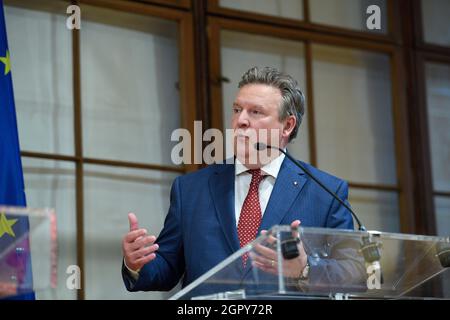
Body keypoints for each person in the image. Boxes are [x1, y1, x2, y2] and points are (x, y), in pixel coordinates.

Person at [121, 66, 355, 296]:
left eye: (255, 112)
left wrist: (304, 270)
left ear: (287, 125)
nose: (241, 120)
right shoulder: (190, 190)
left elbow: (354, 273)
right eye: (236, 109)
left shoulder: (326, 193)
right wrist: (137, 263)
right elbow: (167, 269)